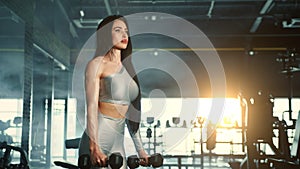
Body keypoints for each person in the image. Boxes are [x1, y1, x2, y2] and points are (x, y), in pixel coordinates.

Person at [78, 15, 149, 168]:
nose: (124, 35)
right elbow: (91, 107)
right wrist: (94, 146)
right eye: (118, 30)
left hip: (118, 139)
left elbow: (132, 114)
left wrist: (141, 150)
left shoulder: (129, 69)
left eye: (126, 31)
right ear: (105, 34)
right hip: (99, 137)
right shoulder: (96, 64)